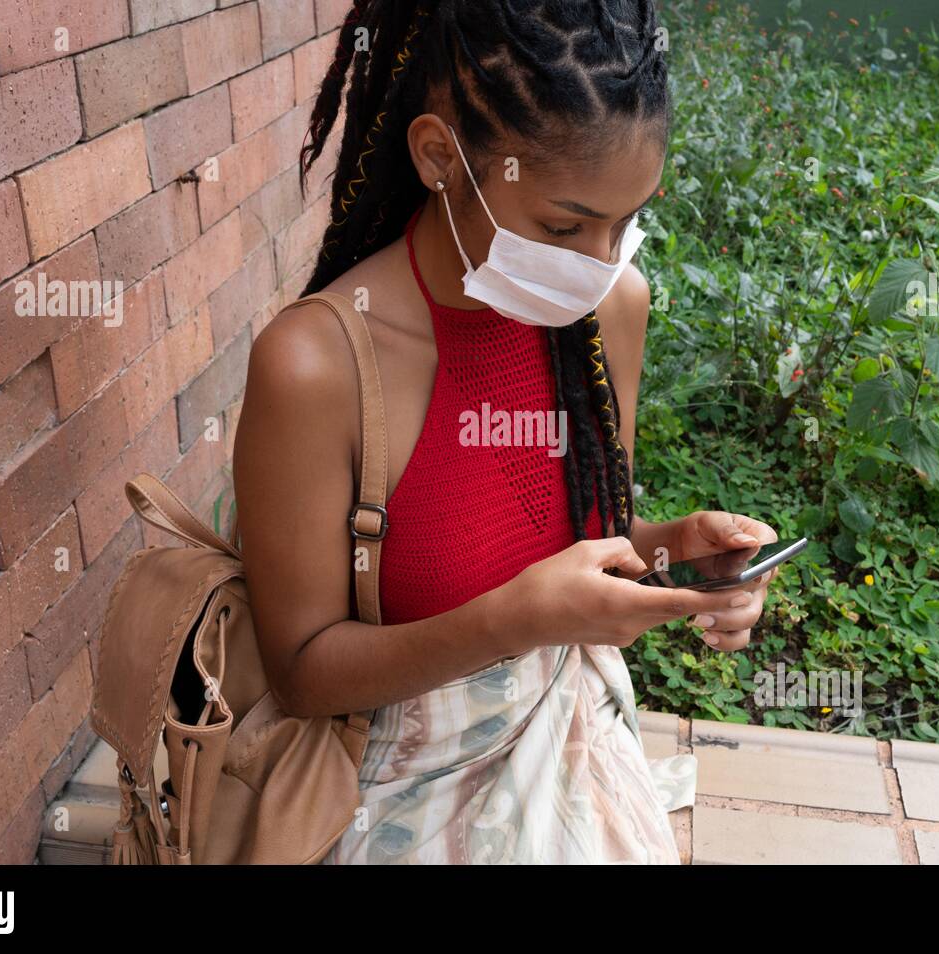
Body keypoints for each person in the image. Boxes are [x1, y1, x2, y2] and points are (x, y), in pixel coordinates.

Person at [232, 0, 780, 864]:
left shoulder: (612, 311)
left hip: (572, 746)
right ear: (441, 157)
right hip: (388, 787)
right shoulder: (319, 366)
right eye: (563, 226)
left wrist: (678, 558)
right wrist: (509, 623)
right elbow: (301, 671)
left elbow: (585, 534)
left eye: (627, 220)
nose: (601, 262)